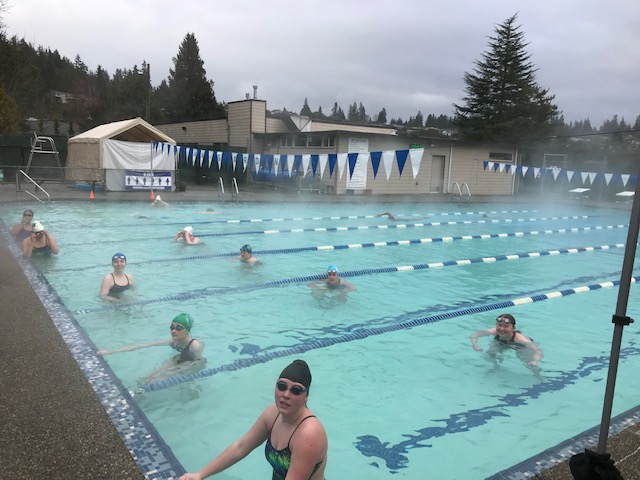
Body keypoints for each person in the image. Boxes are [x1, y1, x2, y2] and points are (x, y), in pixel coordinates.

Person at [179, 359, 327, 480]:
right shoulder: (273, 414)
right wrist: (200, 475)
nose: (286, 394)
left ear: (306, 396)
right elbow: (241, 447)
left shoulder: (308, 433)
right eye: (281, 386)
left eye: (296, 390)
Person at [97, 313, 205, 383]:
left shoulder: (195, 346)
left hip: (193, 363)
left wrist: (175, 371)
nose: (173, 331)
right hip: (179, 358)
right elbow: (145, 345)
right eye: (172, 327)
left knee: (162, 376)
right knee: (147, 378)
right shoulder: (174, 342)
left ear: (187, 330)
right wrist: (111, 352)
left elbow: (198, 363)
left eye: (178, 328)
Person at [469, 313, 543, 368]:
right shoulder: (495, 331)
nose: (501, 329)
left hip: (519, 346)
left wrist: (535, 361)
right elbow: (475, 335)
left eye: (506, 326)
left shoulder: (522, 340)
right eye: (499, 325)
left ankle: (538, 377)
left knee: (529, 364)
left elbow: (538, 351)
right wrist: (475, 345)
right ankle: (495, 366)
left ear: (513, 328)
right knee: (490, 354)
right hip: (501, 342)